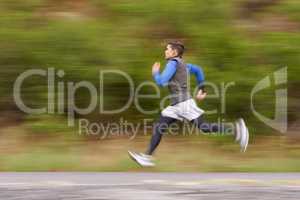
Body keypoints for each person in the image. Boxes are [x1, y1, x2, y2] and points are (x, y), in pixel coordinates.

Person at [128, 41, 249, 167]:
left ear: (174, 52)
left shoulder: (173, 63)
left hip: (184, 104)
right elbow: (198, 70)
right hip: (176, 105)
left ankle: (236, 129)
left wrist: (155, 73)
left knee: (204, 127)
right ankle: (147, 157)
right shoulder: (184, 65)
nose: (165, 51)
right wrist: (202, 88)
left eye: (167, 49)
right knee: (159, 126)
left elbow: (161, 81)